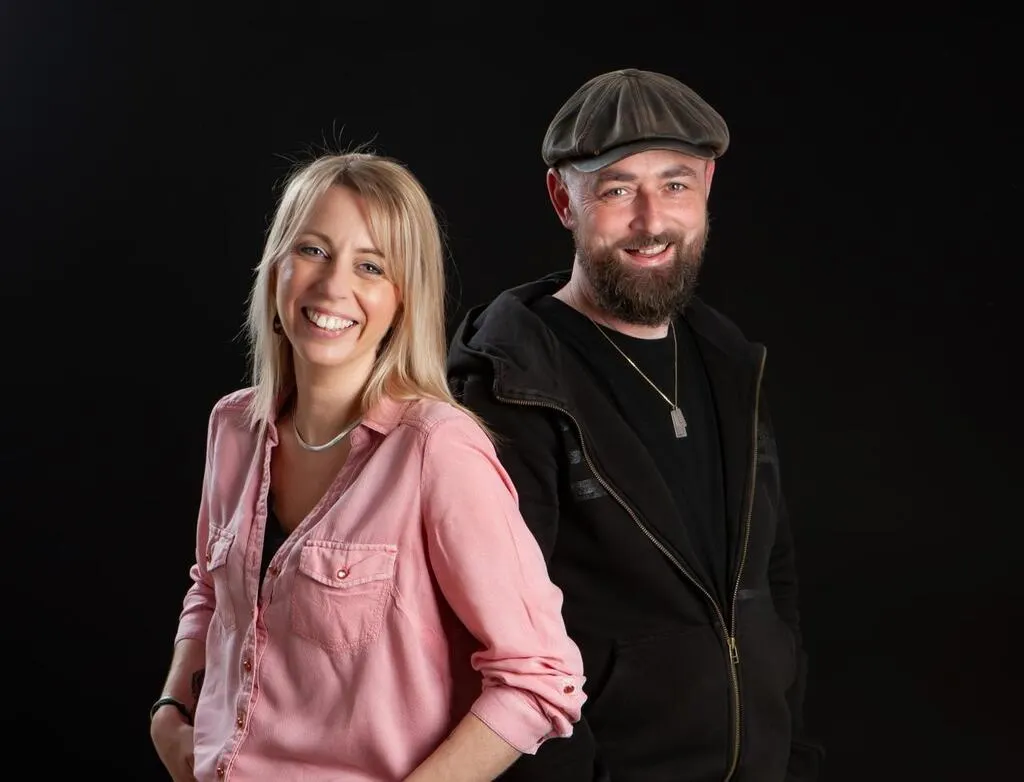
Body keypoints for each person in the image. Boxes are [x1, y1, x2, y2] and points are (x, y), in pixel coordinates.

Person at [149, 151, 586, 782]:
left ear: (403, 299)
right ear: (275, 269)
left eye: (371, 266)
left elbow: (541, 677)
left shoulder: (437, 449)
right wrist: (171, 711)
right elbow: (212, 592)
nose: (333, 287)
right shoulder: (235, 426)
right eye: (313, 250)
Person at [447, 69, 824, 781]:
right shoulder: (510, 388)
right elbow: (493, 642)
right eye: (618, 191)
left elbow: (773, 586)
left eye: (674, 185)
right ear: (564, 200)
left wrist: (792, 756)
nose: (652, 222)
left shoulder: (730, 366)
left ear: (707, 186)